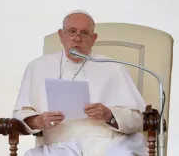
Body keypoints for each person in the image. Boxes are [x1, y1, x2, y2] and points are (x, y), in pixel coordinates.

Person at [12, 10, 148, 156]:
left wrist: (109, 115)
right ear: (61, 35)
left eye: (84, 33)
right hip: (60, 146)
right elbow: (20, 116)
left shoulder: (113, 67)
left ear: (93, 38)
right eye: (72, 32)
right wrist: (39, 121)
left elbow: (138, 119)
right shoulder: (37, 67)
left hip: (109, 143)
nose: (77, 38)